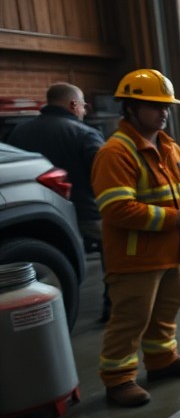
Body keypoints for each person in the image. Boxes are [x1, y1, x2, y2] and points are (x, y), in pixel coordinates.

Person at [91, 68, 180, 407]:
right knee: (130, 319)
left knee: (166, 312)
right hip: (136, 258)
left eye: (166, 106)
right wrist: (176, 218)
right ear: (130, 108)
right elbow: (117, 208)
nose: (164, 113)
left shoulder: (169, 147)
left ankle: (162, 361)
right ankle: (118, 379)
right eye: (155, 106)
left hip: (172, 251)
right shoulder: (117, 152)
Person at [7, 83, 109, 317]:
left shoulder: (19, 131)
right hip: (85, 214)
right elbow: (105, 174)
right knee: (114, 243)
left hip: (40, 217)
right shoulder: (84, 133)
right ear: (74, 104)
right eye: (83, 105)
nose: (84, 110)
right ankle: (112, 305)